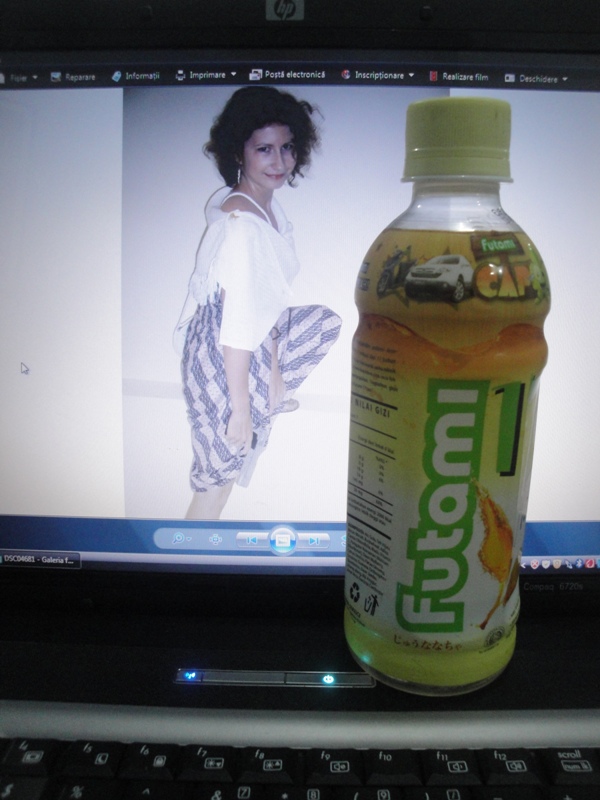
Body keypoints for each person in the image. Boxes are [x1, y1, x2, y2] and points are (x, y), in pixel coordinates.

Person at [174, 87, 342, 520]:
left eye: (287, 147)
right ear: (239, 152)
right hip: (221, 350)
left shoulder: (269, 213)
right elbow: (237, 321)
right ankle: (184, 556)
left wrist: (276, 372)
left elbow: (267, 304)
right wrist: (241, 409)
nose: (279, 161)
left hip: (247, 338)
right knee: (216, 485)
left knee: (324, 322)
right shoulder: (243, 224)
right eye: (264, 149)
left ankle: (261, 404)